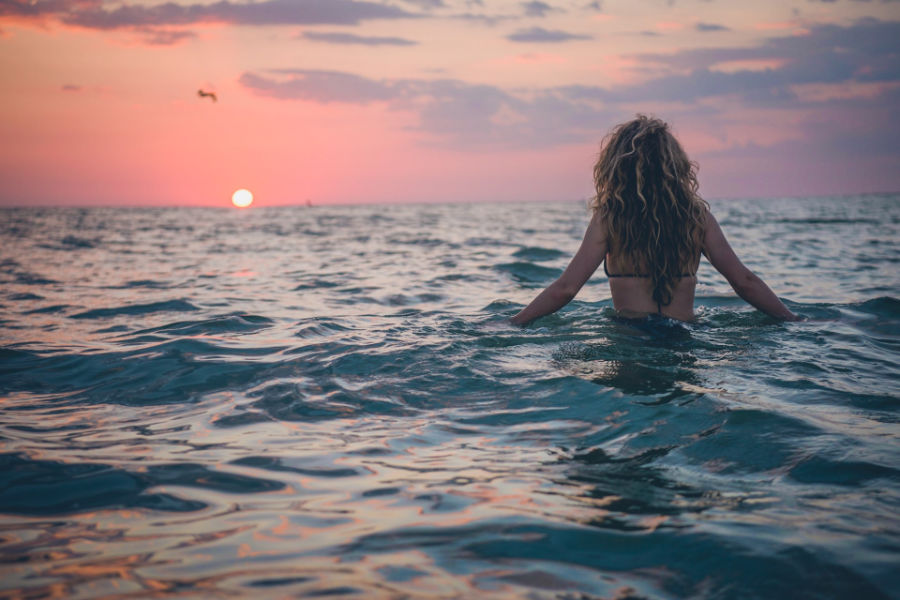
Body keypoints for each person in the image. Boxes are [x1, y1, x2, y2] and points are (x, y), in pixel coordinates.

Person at [511, 115, 799, 325]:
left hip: (630, 337)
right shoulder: (697, 219)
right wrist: (793, 319)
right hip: (684, 337)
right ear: (675, 166)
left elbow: (566, 288)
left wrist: (515, 322)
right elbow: (745, 282)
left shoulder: (610, 219)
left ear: (616, 167)